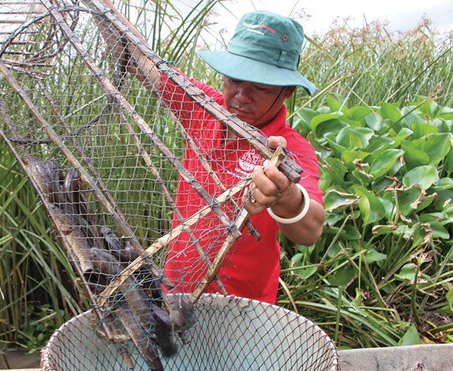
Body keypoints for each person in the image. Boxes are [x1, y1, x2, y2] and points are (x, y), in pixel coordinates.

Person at [100, 6, 325, 304]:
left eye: (259, 87)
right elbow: (137, 59)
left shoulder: (290, 149)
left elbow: (310, 229)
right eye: (233, 80)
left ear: (286, 92)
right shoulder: (203, 107)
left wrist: (286, 196)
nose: (241, 96)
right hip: (177, 291)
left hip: (243, 307)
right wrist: (101, 9)